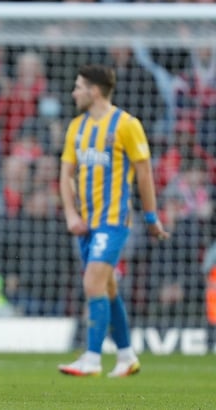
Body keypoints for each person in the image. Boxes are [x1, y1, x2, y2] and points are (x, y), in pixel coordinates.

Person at [58, 64, 169, 378]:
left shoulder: (127, 125)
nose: (74, 93)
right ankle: (126, 355)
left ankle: (92, 358)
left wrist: (151, 216)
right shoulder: (76, 127)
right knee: (107, 288)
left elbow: (144, 173)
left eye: (79, 87)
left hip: (114, 221)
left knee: (92, 282)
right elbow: (65, 174)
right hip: (85, 223)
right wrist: (71, 214)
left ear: (94, 91)